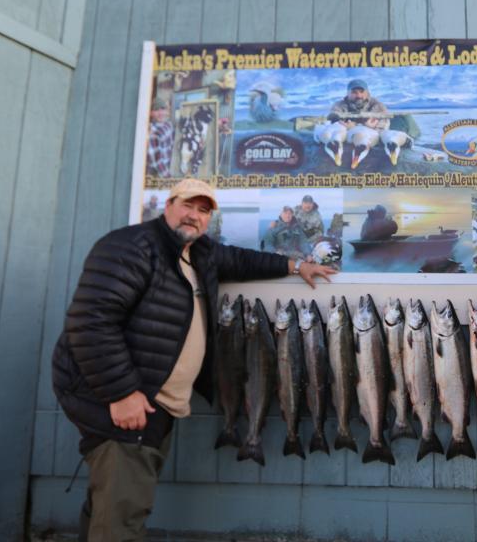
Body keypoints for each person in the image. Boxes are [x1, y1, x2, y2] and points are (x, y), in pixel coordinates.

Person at [51, 179, 335, 542]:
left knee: (109, 507)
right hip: (124, 403)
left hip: (153, 404)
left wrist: (297, 266)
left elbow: (242, 260)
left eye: (203, 210)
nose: (194, 216)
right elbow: (90, 323)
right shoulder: (131, 247)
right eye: (188, 205)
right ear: (168, 205)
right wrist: (121, 393)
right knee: (121, 516)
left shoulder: (198, 253)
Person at [147, 97, 174, 178]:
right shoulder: (153, 132)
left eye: (163, 109)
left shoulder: (168, 125)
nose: (160, 113)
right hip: (159, 175)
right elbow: (156, 161)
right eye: (156, 110)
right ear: (151, 113)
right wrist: (169, 178)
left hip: (171, 167)